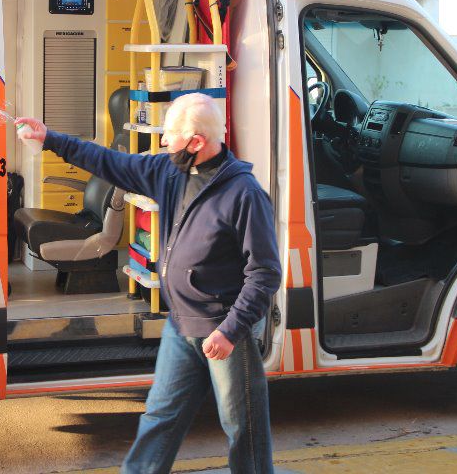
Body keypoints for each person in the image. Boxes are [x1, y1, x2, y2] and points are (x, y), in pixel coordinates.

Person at [16, 92, 281, 474]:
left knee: (244, 428)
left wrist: (230, 330)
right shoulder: (171, 172)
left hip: (223, 331)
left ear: (196, 142)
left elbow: (265, 273)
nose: (162, 143)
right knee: (159, 417)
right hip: (181, 325)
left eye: (170, 137)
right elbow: (111, 162)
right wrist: (51, 139)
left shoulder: (244, 194)